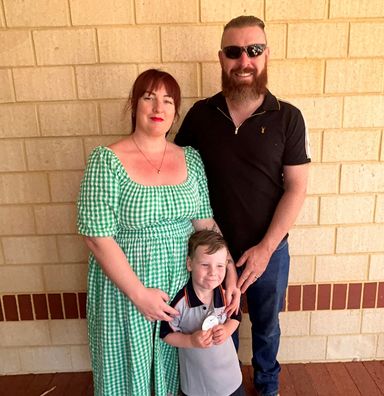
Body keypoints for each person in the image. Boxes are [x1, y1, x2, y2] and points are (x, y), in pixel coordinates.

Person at [77, 69, 239, 396]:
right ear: (134, 105)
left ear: (175, 113)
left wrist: (230, 272)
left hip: (180, 286)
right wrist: (139, 294)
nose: (158, 107)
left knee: (175, 363)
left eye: (168, 100)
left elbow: (205, 224)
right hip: (125, 291)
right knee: (127, 370)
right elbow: (96, 236)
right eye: (149, 97)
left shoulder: (190, 159)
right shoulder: (106, 160)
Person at [175, 16, 310, 396]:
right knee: (218, 325)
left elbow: (296, 188)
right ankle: (226, 387)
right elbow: (178, 174)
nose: (244, 60)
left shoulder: (288, 117)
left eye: (254, 50)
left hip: (270, 249)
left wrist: (266, 249)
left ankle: (268, 387)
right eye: (234, 52)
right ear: (222, 58)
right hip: (213, 254)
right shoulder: (201, 115)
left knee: (266, 326)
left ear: (266, 55)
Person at [160, 230, 245, 396]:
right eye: (205, 265)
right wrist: (190, 340)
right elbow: (166, 334)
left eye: (220, 266)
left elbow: (236, 316)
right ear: (190, 264)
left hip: (231, 380)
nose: (213, 272)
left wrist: (227, 330)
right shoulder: (180, 302)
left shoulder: (225, 293)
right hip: (197, 385)